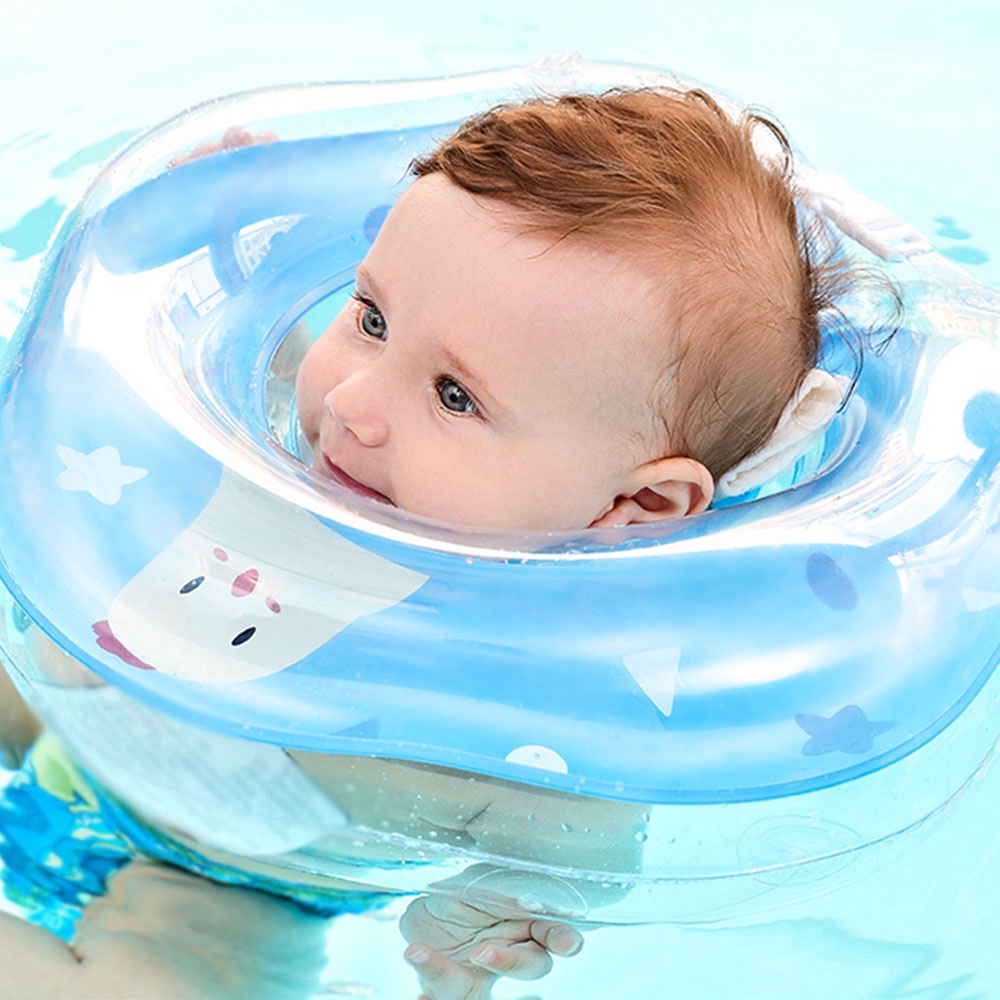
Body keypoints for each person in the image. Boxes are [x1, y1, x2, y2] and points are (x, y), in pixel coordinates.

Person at [0, 85, 861, 1000]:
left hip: (226, 879)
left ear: (639, 503)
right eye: (371, 319)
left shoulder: (564, 696)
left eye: (455, 395)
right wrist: (211, 241)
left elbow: (592, 855)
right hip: (50, 699)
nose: (350, 404)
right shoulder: (268, 420)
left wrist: (493, 915)